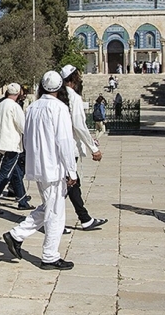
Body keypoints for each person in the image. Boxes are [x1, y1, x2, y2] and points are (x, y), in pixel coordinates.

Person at [2, 71, 76, 270]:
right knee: (56, 214)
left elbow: (27, 137)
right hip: (54, 167)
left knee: (49, 207)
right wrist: (72, 169)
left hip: (38, 165)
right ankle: (50, 256)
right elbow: (65, 141)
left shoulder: (32, 107)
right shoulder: (59, 108)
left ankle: (16, 235)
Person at [60, 65, 108, 231]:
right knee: (66, 187)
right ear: (73, 79)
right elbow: (79, 126)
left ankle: (85, 218)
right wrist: (93, 148)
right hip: (68, 148)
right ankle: (49, 222)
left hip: (58, 148)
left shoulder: (57, 96)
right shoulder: (73, 97)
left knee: (71, 185)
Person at [0, 83, 31, 213]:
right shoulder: (14, 107)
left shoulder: (0, 105)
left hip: (2, 145)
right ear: (18, 93)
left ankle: (21, 201)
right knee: (5, 175)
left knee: (9, 172)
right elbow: (23, 127)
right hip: (11, 146)